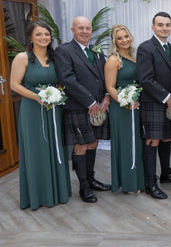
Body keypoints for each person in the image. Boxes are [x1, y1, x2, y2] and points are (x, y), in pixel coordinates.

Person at [10, 20, 71, 210]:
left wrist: (57, 93)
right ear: (30, 37)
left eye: (46, 34)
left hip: (54, 109)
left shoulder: (55, 57)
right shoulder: (23, 57)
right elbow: (14, 84)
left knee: (55, 148)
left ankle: (58, 191)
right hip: (33, 110)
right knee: (37, 151)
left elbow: (62, 80)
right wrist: (38, 97)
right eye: (39, 34)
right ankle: (38, 195)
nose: (44, 37)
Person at [55, 16, 111, 203]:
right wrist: (89, 101)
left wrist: (106, 96)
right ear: (73, 30)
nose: (85, 31)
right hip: (78, 107)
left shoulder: (96, 51)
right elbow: (67, 79)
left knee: (93, 142)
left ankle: (91, 179)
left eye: (87, 28)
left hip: (99, 106)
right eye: (80, 28)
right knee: (81, 145)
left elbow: (103, 76)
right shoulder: (64, 51)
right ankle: (83, 187)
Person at [137, 12, 171, 200]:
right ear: (153, 27)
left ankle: (165, 173)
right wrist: (166, 96)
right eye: (160, 25)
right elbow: (145, 78)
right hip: (153, 102)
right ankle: (150, 182)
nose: (164, 28)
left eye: (167, 25)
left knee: (167, 138)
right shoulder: (145, 48)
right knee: (152, 140)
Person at [104, 24, 145, 194]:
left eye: (126, 36)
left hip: (136, 106)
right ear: (114, 41)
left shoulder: (134, 57)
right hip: (122, 108)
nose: (124, 40)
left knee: (137, 144)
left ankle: (137, 180)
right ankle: (128, 184)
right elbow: (110, 87)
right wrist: (125, 102)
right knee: (126, 144)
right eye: (119, 38)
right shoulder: (114, 60)